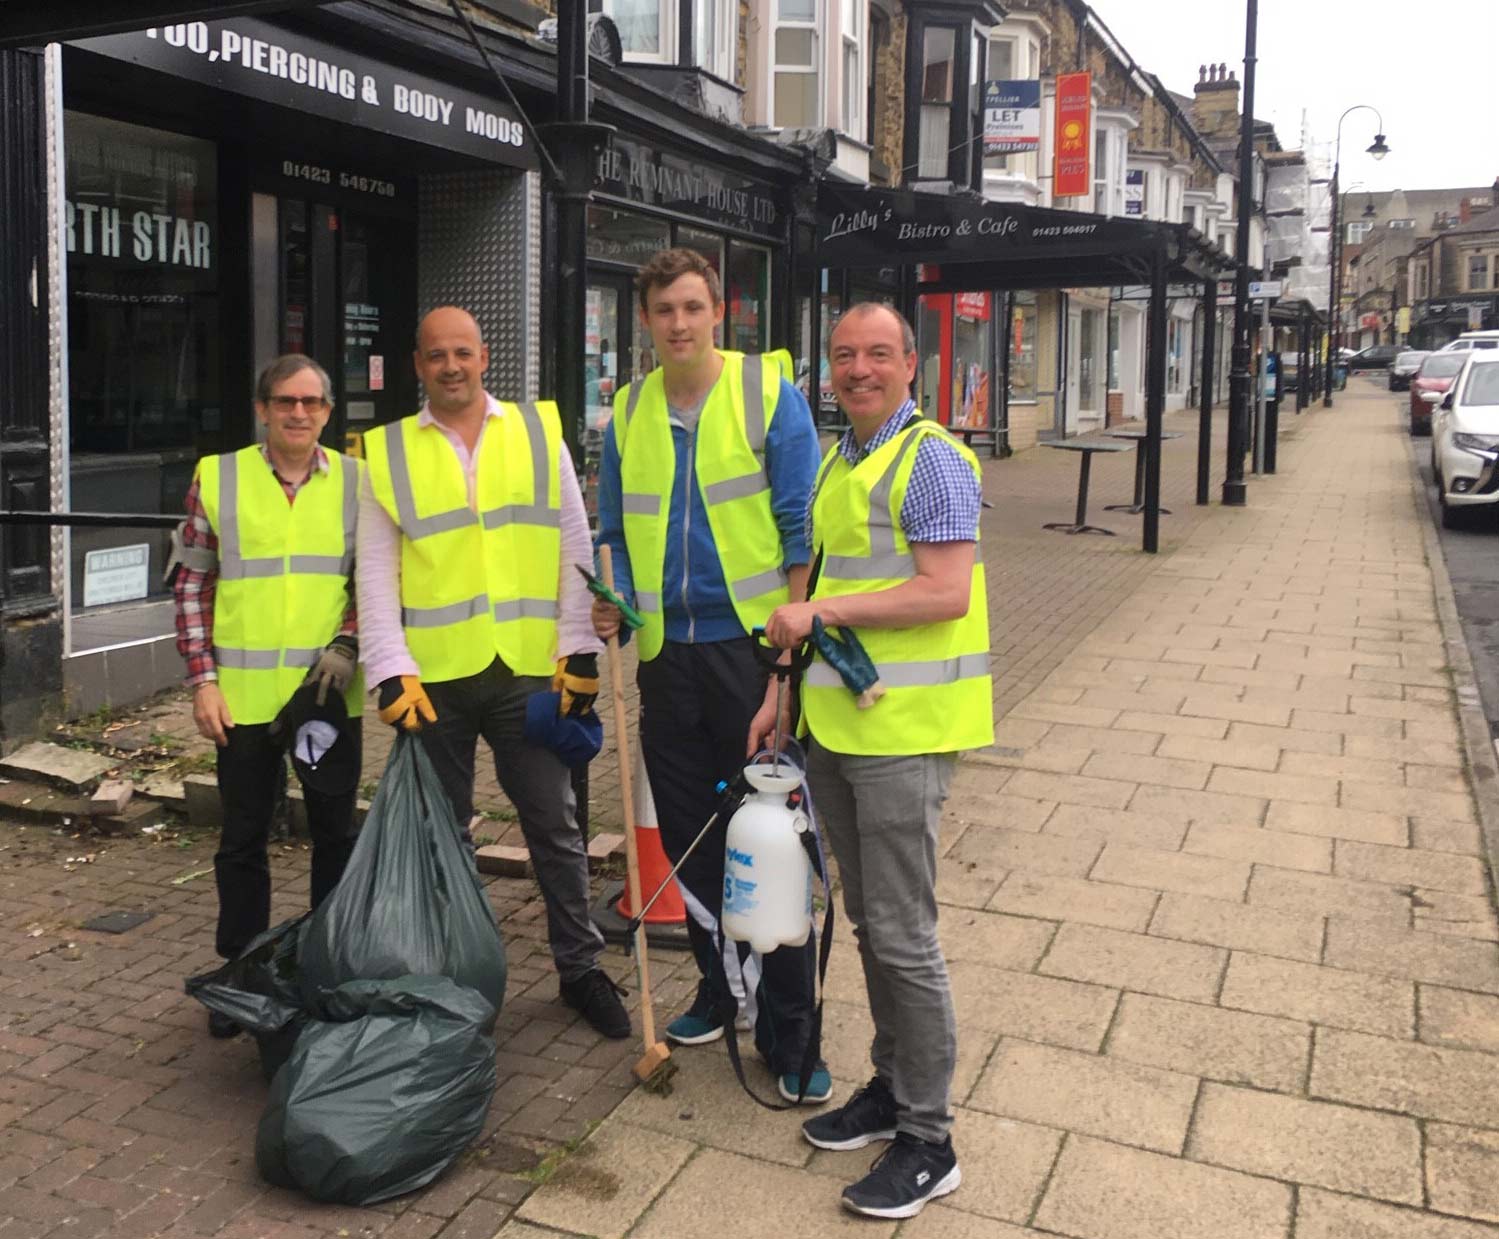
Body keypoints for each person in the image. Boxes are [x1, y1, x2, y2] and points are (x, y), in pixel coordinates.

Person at [761, 302, 994, 1219]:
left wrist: (818, 618)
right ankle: (891, 1089)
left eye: (877, 355)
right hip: (838, 728)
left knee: (902, 935)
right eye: (845, 355)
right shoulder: (840, 457)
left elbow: (942, 590)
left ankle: (929, 1140)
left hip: (903, 734)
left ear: (912, 366)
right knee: (868, 924)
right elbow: (820, 588)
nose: (858, 369)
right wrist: (778, 692)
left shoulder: (929, 456)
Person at [356, 305, 630, 1041]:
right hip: (434, 679)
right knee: (442, 834)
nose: (451, 366)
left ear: (484, 358)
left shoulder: (539, 432)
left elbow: (575, 535)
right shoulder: (385, 453)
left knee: (555, 823)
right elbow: (376, 572)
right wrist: (387, 665)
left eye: (463, 353)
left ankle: (579, 968)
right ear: (417, 364)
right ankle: (454, 973)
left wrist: (577, 647)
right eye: (436, 355)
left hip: (527, 672)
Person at [591, 247, 827, 1100]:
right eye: (664, 311)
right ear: (646, 320)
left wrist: (786, 666)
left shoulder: (768, 394)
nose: (679, 324)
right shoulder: (626, 411)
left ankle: (793, 1035)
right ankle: (722, 989)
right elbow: (613, 525)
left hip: (749, 652)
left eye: (693, 307)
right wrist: (611, 597)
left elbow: (798, 528)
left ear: (717, 312)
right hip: (665, 657)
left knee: (770, 843)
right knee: (692, 839)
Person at [172, 354, 364, 1039]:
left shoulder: (356, 482)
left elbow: (374, 580)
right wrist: (203, 679)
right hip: (244, 698)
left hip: (326, 698)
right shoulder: (218, 477)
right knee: (243, 839)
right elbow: (193, 584)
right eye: (286, 401)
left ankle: (325, 968)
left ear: (328, 411)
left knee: (335, 837)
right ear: (262, 408)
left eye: (312, 402)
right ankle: (243, 975)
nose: (299, 413)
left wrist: (349, 642)